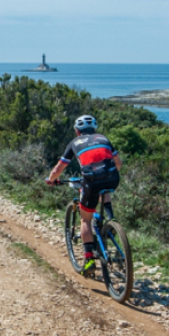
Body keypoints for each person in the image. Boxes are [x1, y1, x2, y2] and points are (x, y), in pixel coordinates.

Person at [45, 115, 122, 275]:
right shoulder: (103, 138)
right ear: (94, 129)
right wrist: (107, 175)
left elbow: (58, 169)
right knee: (104, 190)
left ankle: (88, 260)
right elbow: (118, 163)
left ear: (77, 131)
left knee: (85, 219)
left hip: (91, 180)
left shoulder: (74, 143)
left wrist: (51, 180)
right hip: (113, 177)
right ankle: (111, 219)